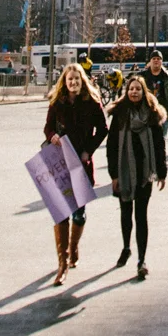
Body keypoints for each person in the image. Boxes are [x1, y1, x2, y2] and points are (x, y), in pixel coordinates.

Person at [43, 63, 108, 284]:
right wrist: (52, 136)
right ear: (65, 81)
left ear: (82, 81)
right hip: (59, 161)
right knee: (61, 212)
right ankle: (62, 262)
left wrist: (88, 150)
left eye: (77, 80)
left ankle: (73, 246)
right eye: (70, 79)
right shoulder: (57, 102)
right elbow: (48, 127)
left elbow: (103, 129)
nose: (73, 83)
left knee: (78, 213)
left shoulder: (91, 103)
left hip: (80, 161)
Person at [105, 74, 167, 278]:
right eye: (131, 88)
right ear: (126, 91)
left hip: (145, 172)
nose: (134, 91)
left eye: (137, 89)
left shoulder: (151, 115)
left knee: (141, 215)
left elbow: (159, 145)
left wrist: (162, 172)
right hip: (123, 171)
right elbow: (112, 146)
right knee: (125, 213)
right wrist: (113, 174)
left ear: (144, 92)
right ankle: (126, 247)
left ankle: (142, 258)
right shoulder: (120, 114)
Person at [140, 49, 168, 134]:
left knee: (162, 138)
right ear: (150, 61)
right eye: (154, 58)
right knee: (149, 137)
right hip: (147, 112)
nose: (156, 60)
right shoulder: (142, 76)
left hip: (165, 111)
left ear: (161, 61)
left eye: (158, 58)